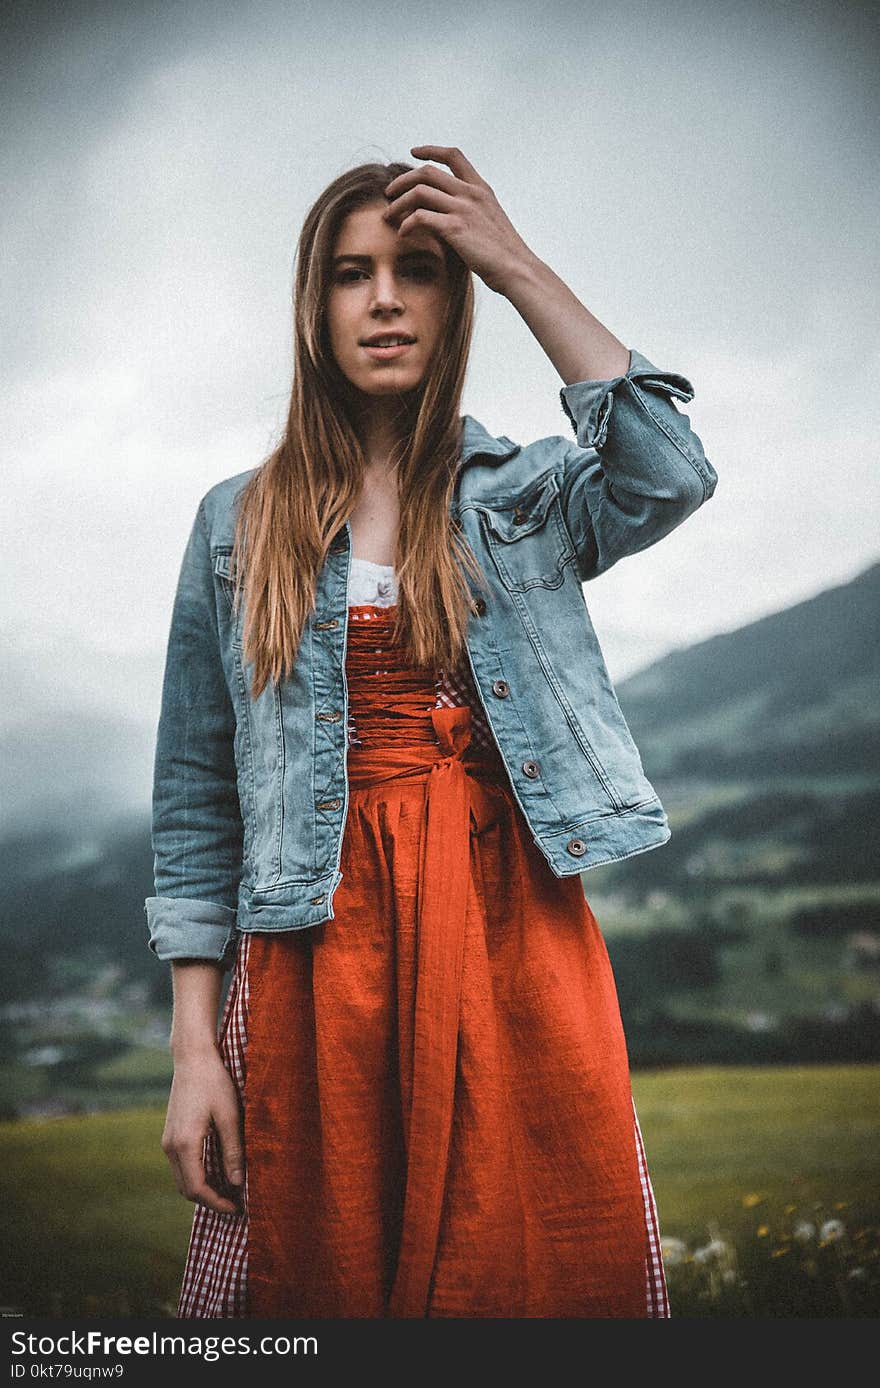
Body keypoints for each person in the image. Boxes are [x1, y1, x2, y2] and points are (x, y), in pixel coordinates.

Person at [145, 145, 717, 1319]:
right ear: (315, 305)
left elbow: (669, 473)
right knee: (327, 1267)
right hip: (315, 956)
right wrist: (194, 1053)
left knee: (545, 1255)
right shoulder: (236, 524)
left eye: (422, 270)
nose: (388, 299)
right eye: (353, 274)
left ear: (457, 299)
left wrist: (515, 263)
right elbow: (197, 803)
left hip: (514, 939)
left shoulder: (525, 496)